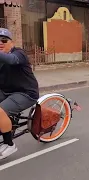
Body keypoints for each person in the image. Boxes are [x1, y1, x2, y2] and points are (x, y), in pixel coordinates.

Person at [0, 28, 39, 160]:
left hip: (26, 93)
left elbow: (11, 60)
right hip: (7, 91)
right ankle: (5, 125)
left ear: (12, 42)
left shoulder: (19, 53)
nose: (1, 43)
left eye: (4, 40)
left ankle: (9, 144)